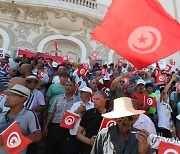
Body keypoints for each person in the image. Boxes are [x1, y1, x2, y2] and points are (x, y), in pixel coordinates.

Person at [0, 84, 42, 154]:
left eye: (11, 95)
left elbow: (37, 135)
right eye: (7, 95)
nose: (7, 98)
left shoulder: (29, 114)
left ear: (22, 99)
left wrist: (10, 141)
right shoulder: (3, 115)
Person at [43, 81, 79, 154]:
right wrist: (46, 126)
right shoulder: (58, 98)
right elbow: (51, 112)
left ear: (74, 88)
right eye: (66, 85)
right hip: (55, 125)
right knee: (50, 147)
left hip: (68, 128)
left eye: (70, 85)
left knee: (63, 148)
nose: (68, 86)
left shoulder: (77, 100)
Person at [67, 87, 94, 154]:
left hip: (87, 136)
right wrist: (77, 111)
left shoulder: (93, 106)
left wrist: (84, 114)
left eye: (83, 92)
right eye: (81, 92)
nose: (81, 94)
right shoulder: (76, 104)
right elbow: (68, 118)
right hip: (74, 133)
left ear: (89, 94)